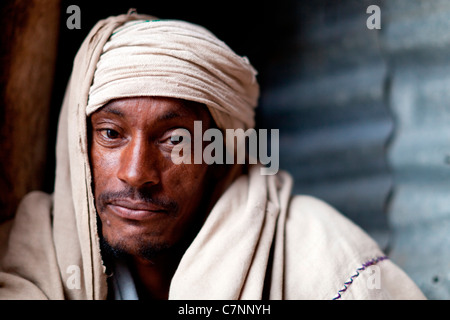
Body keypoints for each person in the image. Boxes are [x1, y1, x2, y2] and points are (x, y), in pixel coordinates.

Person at [0, 11, 426, 300]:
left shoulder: (322, 254)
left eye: (176, 141)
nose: (136, 174)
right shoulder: (28, 257)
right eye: (111, 134)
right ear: (81, 144)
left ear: (222, 153)